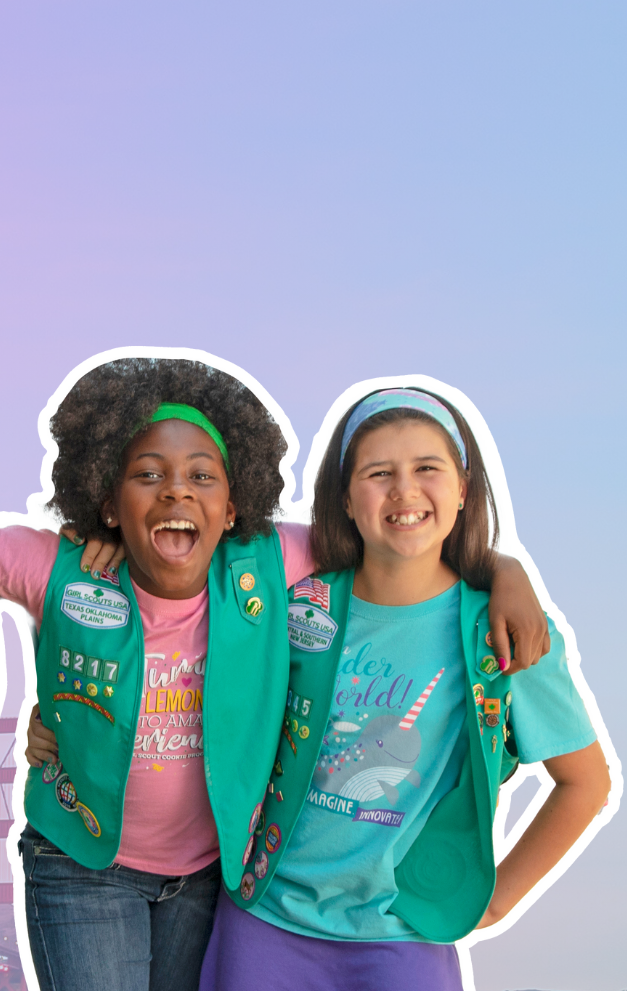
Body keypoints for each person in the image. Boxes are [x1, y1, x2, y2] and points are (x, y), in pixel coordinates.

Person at [0, 357, 548, 991]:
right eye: (147, 476)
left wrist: (505, 569)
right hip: (98, 864)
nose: (176, 490)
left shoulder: (275, 563)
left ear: (234, 506)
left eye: (201, 476)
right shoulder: (72, 568)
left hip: (209, 874)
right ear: (108, 496)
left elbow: (397, 542)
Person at [198, 386, 612, 988]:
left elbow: (586, 782)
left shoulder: (499, 631)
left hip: (403, 933)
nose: (404, 490)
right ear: (345, 496)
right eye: (378, 472)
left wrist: (495, 903)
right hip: (266, 918)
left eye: (427, 468)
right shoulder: (295, 604)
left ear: (464, 488)